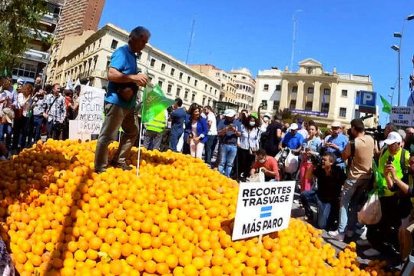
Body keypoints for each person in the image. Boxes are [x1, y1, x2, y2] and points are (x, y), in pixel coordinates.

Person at [94, 26, 150, 173]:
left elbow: (127, 77)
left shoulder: (133, 57)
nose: (144, 45)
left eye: (146, 42)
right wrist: (134, 77)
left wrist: (138, 79)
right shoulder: (122, 53)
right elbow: (111, 74)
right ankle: (100, 168)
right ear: (133, 38)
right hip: (116, 102)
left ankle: (119, 160)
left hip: (129, 104)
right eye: (143, 41)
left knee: (133, 131)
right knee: (107, 136)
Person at [328, 119, 375, 241]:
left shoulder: (353, 143)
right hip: (366, 178)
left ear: (354, 128)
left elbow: (344, 156)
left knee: (344, 203)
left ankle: (341, 232)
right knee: (354, 203)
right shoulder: (371, 139)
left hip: (353, 178)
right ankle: (350, 230)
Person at [366, 131, 410, 256]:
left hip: (395, 196)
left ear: (399, 144)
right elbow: (379, 170)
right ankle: (373, 242)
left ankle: (379, 247)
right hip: (381, 192)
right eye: (388, 144)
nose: (390, 147)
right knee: (375, 219)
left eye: (392, 144)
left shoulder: (405, 156)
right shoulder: (385, 151)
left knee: (386, 223)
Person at [300, 152, 346, 229]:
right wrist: (313, 165)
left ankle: (331, 215)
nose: (322, 161)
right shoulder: (320, 169)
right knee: (304, 194)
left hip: (329, 201)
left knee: (322, 225)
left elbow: (345, 184)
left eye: (324, 160)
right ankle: (309, 214)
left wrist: (341, 198)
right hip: (318, 196)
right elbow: (308, 177)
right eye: (322, 159)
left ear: (331, 162)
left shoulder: (338, 171)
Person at [217, 109, 241, 177]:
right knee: (222, 162)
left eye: (231, 116)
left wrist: (234, 130)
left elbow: (240, 134)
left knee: (230, 163)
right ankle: (219, 176)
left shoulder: (238, 123)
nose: (230, 118)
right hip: (224, 144)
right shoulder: (222, 122)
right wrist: (226, 129)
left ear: (234, 116)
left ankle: (227, 176)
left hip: (233, 145)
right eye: (228, 116)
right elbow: (219, 133)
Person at [299, 122, 322, 192]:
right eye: (309, 129)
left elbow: (320, 153)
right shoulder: (305, 140)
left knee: (307, 180)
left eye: (312, 129)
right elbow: (301, 150)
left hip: (311, 163)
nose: (310, 131)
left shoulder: (318, 141)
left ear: (316, 131)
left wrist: (312, 152)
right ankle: (302, 196)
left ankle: (306, 197)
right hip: (304, 162)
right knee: (302, 179)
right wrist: (302, 152)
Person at [238, 115, 261, 180]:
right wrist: (238, 143)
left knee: (249, 163)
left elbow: (257, 140)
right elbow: (239, 136)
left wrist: (257, 149)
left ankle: (246, 175)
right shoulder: (243, 127)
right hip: (243, 147)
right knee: (242, 162)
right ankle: (239, 175)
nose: (252, 122)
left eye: (253, 121)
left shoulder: (257, 130)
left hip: (252, 149)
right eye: (251, 120)